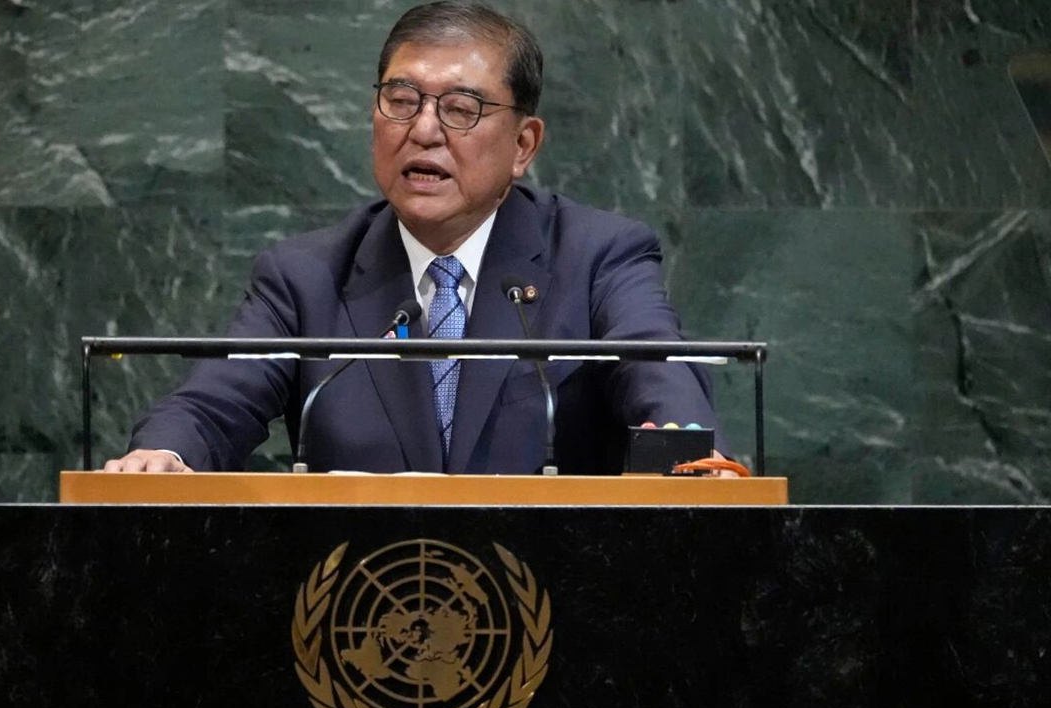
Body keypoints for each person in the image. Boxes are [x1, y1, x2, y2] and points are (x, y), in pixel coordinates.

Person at [105, 1, 725, 475]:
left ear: (523, 145)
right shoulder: (304, 276)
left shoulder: (598, 256)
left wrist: (689, 450)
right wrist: (165, 453)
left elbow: (655, 364)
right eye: (402, 100)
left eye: (461, 109)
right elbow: (212, 402)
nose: (424, 130)